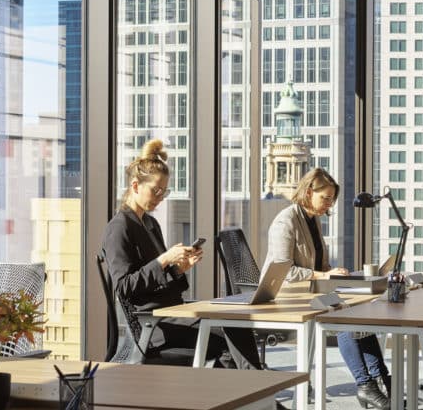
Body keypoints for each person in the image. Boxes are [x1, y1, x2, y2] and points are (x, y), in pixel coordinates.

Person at [103, 139, 263, 370]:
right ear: (136, 186)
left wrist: (178, 269)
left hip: (172, 313)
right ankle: (257, 399)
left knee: (235, 328)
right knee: (232, 333)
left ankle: (247, 399)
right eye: (156, 190)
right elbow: (124, 287)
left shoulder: (149, 224)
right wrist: (165, 259)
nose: (159, 197)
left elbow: (160, 282)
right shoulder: (119, 228)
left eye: (164, 191)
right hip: (156, 325)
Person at [263, 168, 391, 410]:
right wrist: (324, 275)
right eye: (325, 198)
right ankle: (365, 385)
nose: (329, 204)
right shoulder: (286, 221)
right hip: (285, 295)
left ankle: (380, 378)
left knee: (357, 312)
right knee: (342, 319)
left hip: (311, 291)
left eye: (332, 199)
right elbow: (284, 272)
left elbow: (319, 266)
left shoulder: (313, 221)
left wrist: (335, 273)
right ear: (309, 192)